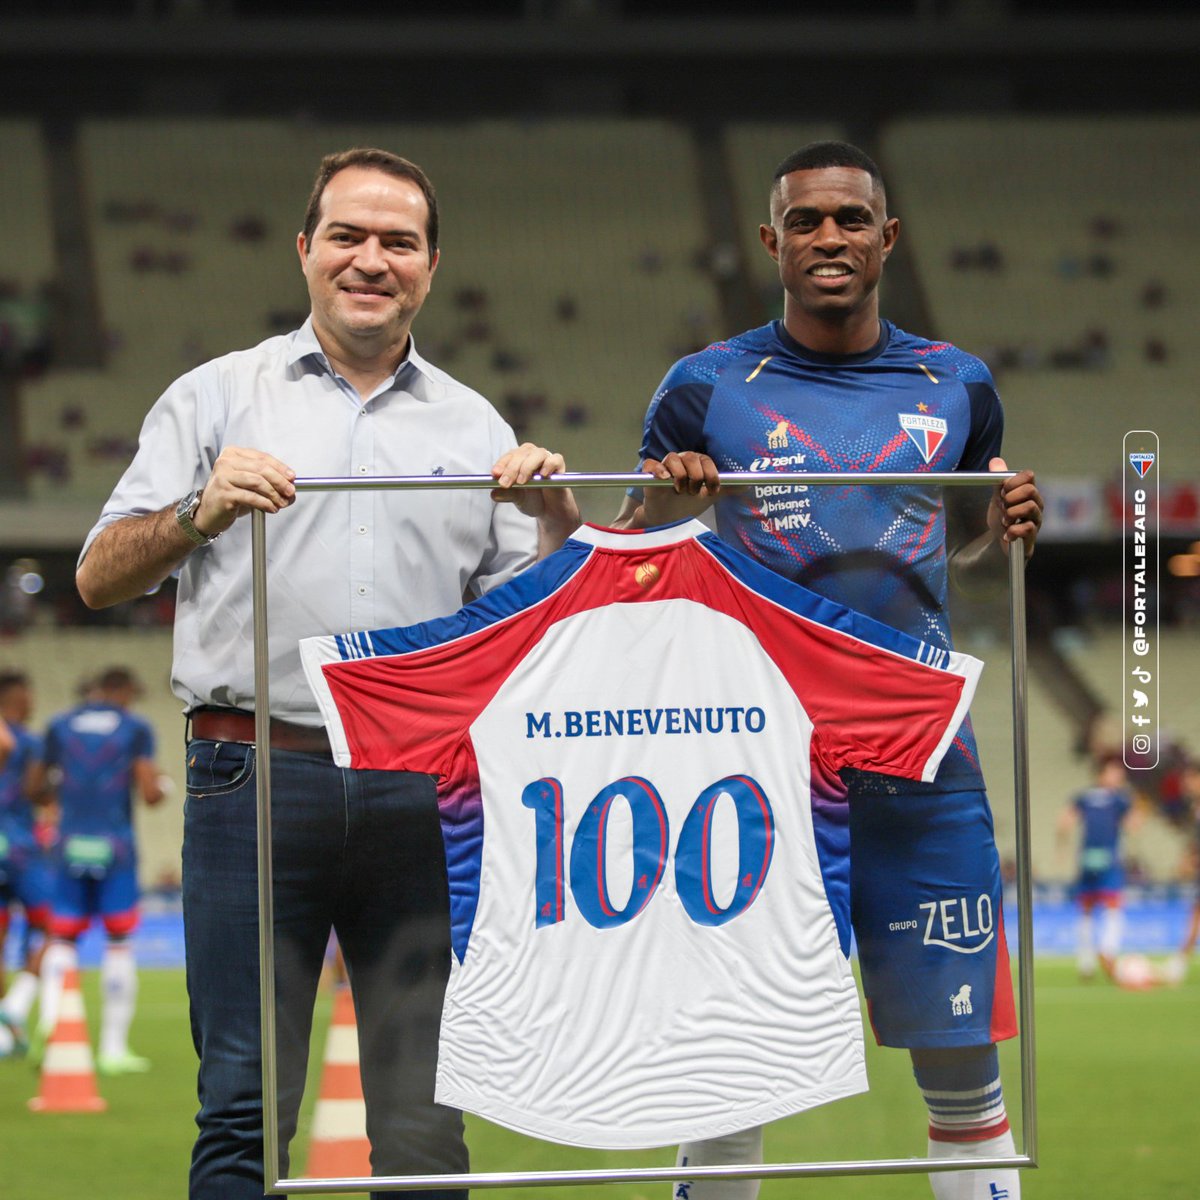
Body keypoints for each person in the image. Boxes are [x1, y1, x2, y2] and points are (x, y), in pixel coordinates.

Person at [75, 147, 579, 1200]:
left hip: (420, 793)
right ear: (305, 250)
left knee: (425, 1129)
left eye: (398, 241)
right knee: (244, 1117)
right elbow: (95, 575)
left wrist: (558, 527)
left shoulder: (477, 427)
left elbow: (523, 638)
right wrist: (196, 512)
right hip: (254, 781)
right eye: (347, 235)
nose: (371, 259)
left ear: (431, 266)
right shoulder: (217, 397)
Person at [613, 142, 1043, 1200]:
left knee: (962, 1066)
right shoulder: (705, 386)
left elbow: (956, 538)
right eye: (806, 223)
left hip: (924, 759)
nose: (830, 239)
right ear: (772, 242)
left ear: (887, 237)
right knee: (726, 1075)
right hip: (757, 769)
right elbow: (633, 544)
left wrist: (998, 524)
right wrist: (666, 502)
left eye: (851, 220)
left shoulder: (957, 382)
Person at [33, 666, 164, 1072]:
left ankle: (53, 1032)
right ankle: (112, 1048)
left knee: (62, 940)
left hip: (69, 843)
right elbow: (150, 793)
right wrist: (164, 786)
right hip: (115, 847)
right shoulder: (134, 728)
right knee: (119, 940)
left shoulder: (60, 725)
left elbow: (36, 786)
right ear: (121, 690)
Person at [0, 670, 52, 1058]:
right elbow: (39, 794)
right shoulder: (28, 742)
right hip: (18, 847)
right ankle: (14, 1008)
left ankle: (6, 1030)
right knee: (55, 925)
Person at [1056, 756, 1140, 981]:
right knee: (1111, 905)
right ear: (1102, 774)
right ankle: (1106, 952)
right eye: (1115, 772)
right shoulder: (1119, 800)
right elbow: (1133, 826)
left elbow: (1064, 822)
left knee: (1087, 909)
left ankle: (1088, 962)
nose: (1118, 777)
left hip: (1088, 859)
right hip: (1107, 860)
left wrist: (1062, 848)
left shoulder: (1084, 798)